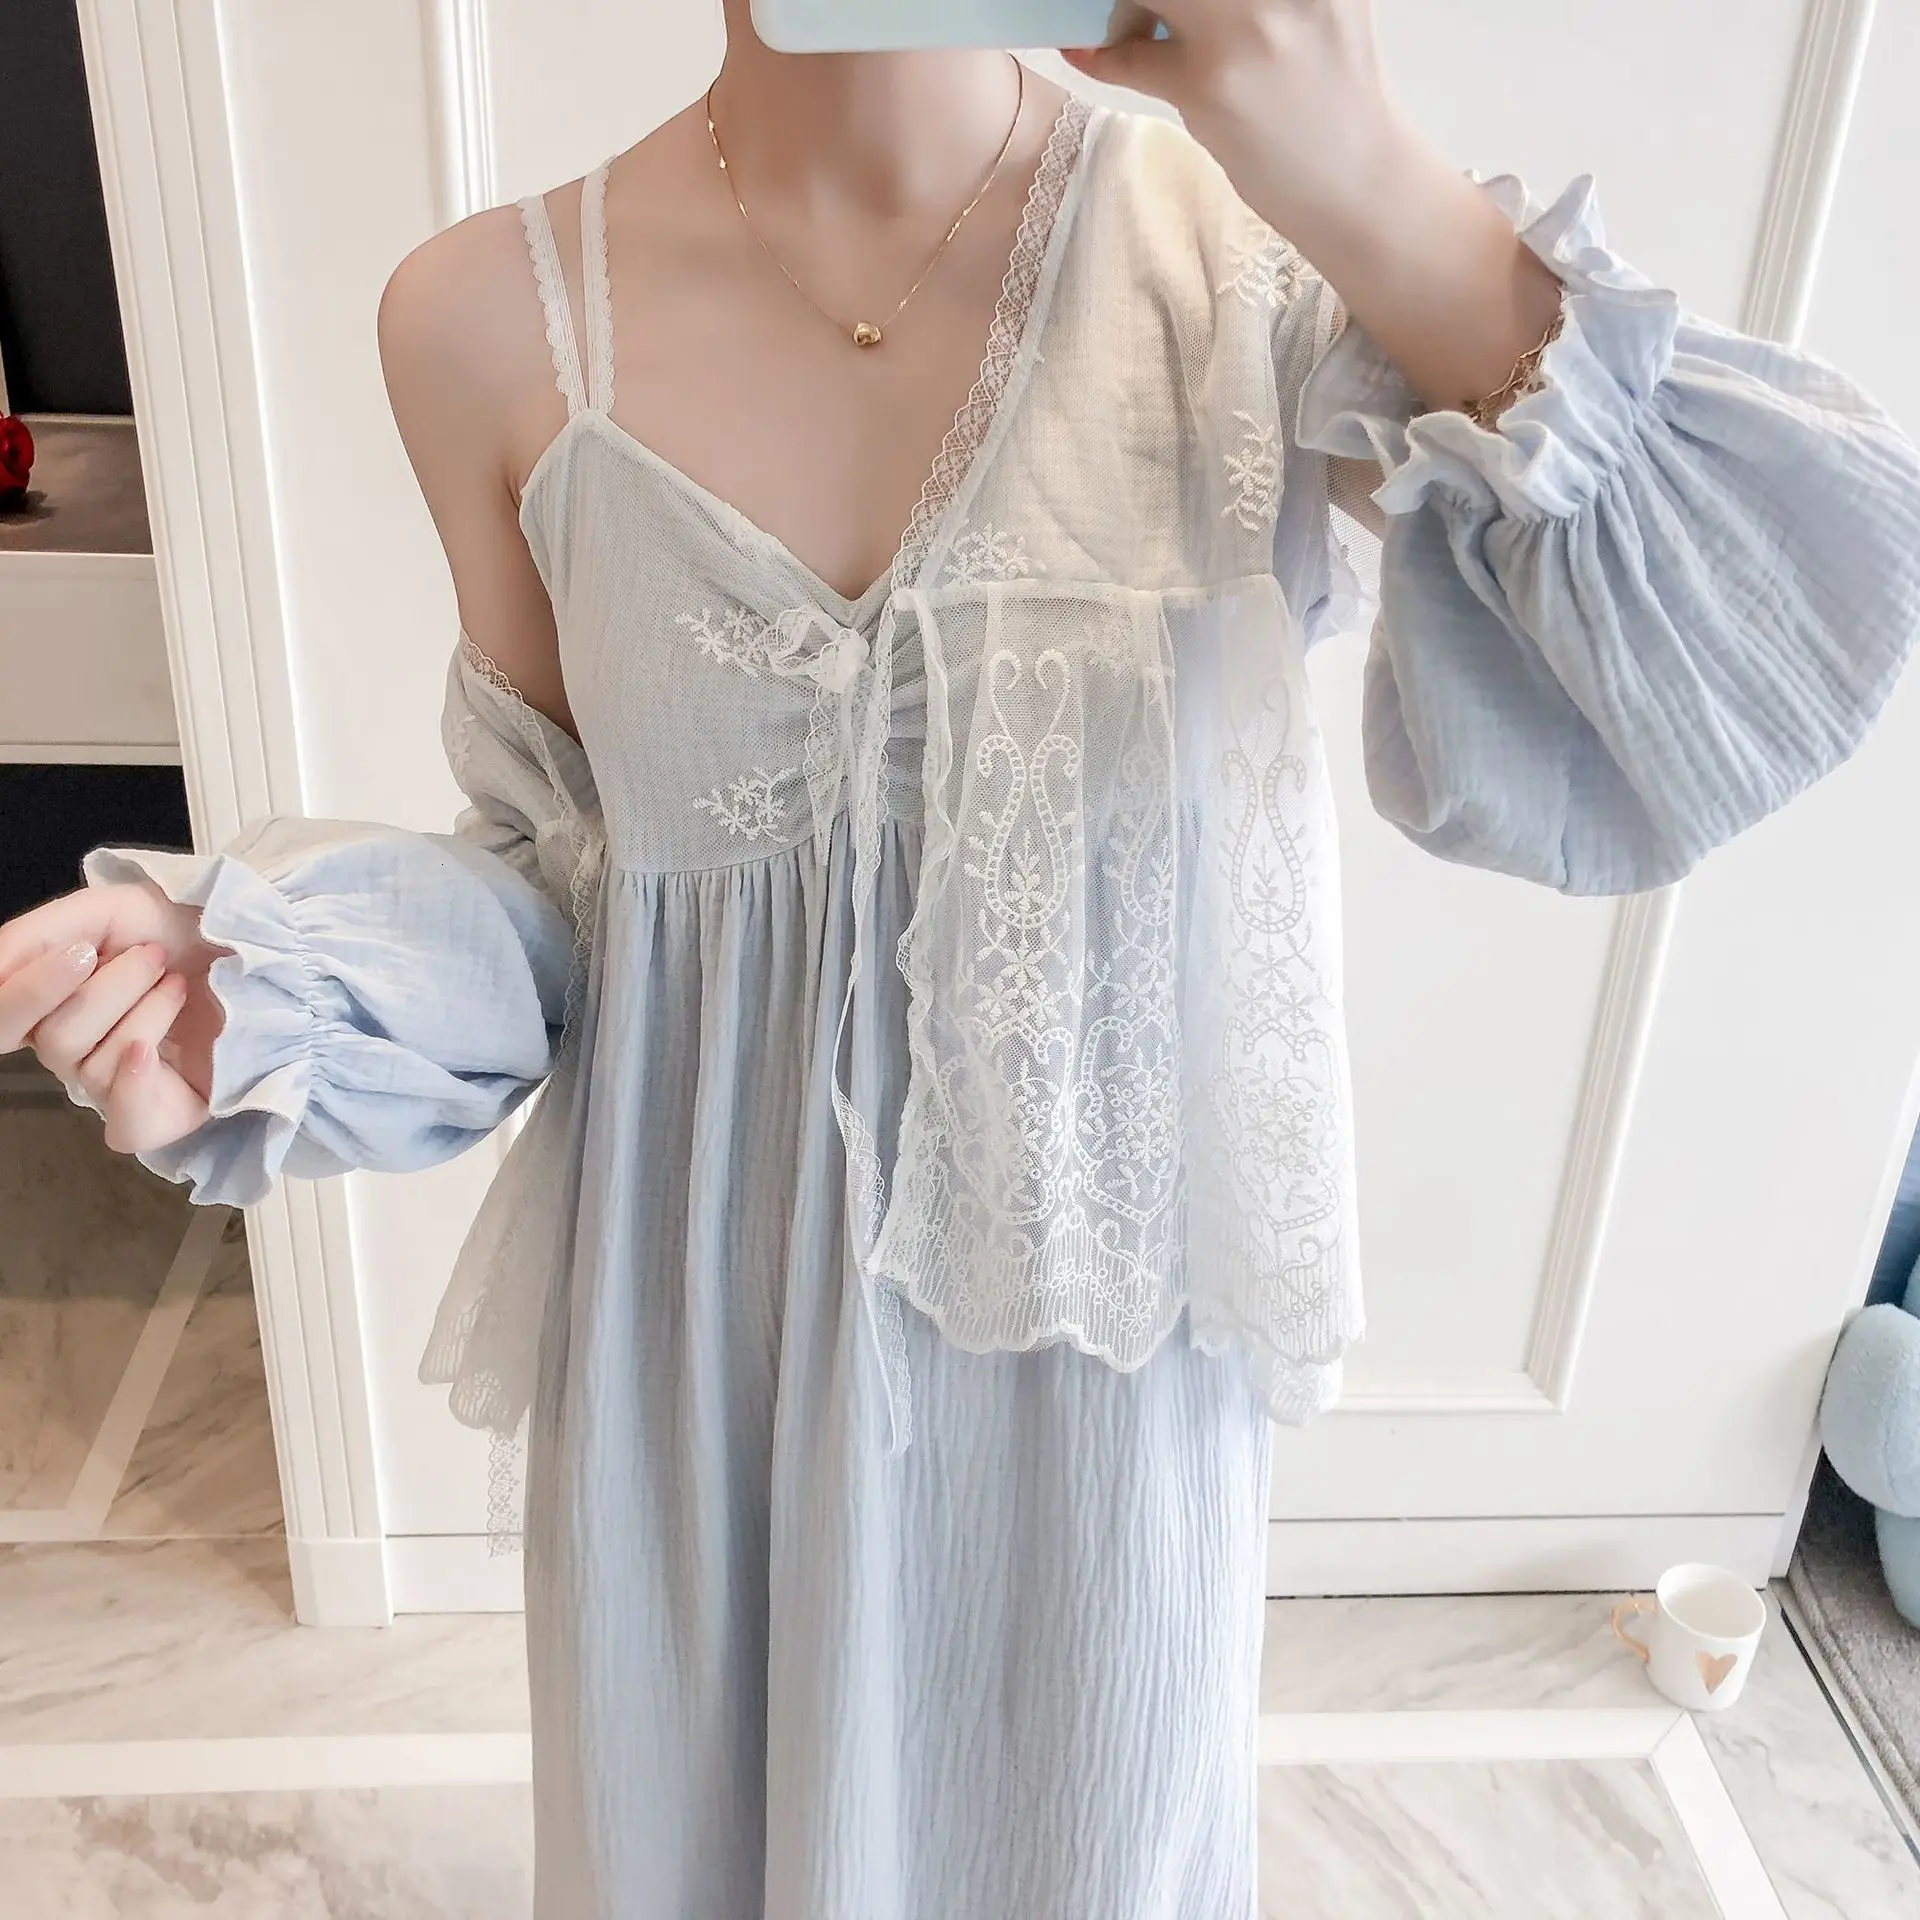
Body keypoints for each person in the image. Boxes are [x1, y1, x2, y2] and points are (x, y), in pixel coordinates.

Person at [5, 3, 1919, 1913]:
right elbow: (570, 886)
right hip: (691, 1369)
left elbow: (1743, 660)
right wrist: (279, 988)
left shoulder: (1245, 270)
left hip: (1088, 1396)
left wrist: (1358, 165)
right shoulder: (482, 319)